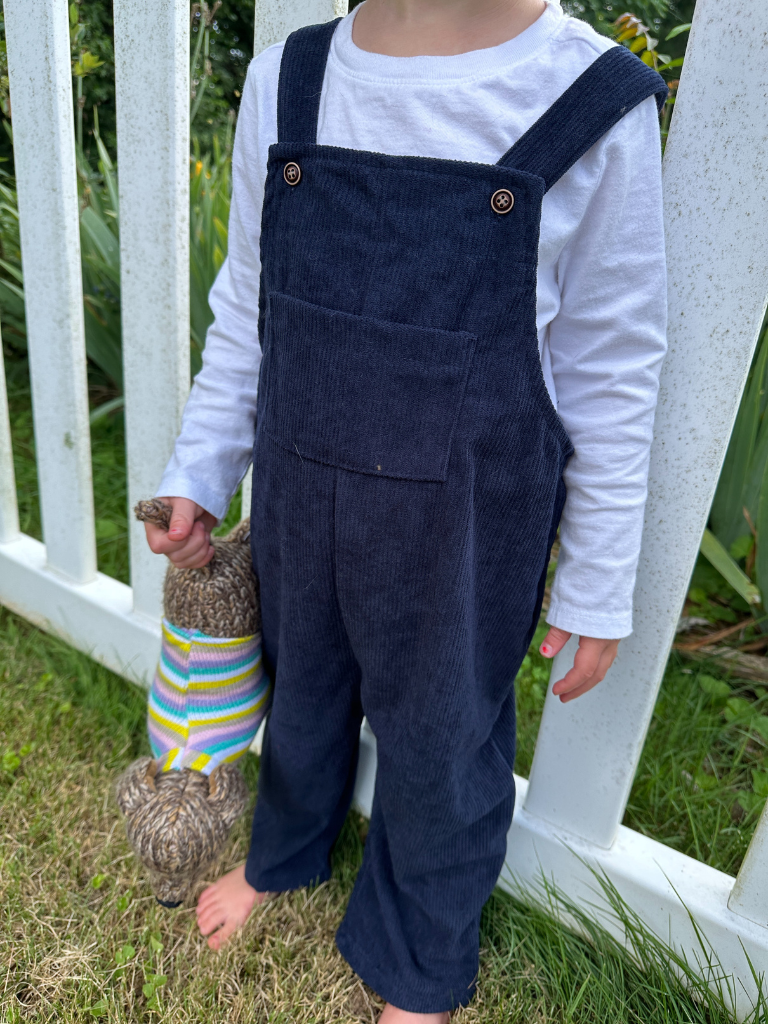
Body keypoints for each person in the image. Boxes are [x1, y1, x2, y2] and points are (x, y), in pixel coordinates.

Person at [144, 0, 668, 1019]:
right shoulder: (290, 81)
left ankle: (422, 957)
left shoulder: (589, 102)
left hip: (462, 533)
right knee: (297, 696)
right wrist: (200, 471)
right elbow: (247, 308)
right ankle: (284, 854)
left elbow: (611, 366)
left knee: (439, 740)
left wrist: (599, 578)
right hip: (299, 495)